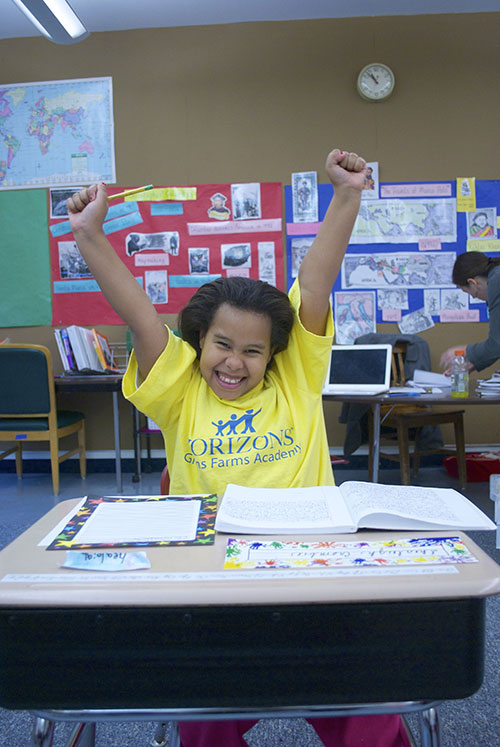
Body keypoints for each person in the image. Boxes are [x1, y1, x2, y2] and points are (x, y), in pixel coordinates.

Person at [67, 148, 410, 747]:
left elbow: (317, 278)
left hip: (311, 578)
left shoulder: (296, 376)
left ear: (275, 353)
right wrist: (89, 234)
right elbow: (142, 317)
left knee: (365, 716)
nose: (235, 362)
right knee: (206, 720)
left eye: (252, 351)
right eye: (221, 344)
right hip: (213, 583)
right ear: (198, 341)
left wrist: (348, 195)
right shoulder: (178, 388)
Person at [440, 251, 500, 374]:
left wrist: (466, 351)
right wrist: (473, 363)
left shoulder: (496, 282)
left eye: (467, 291)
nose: (473, 297)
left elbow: (497, 343)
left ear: (473, 282)